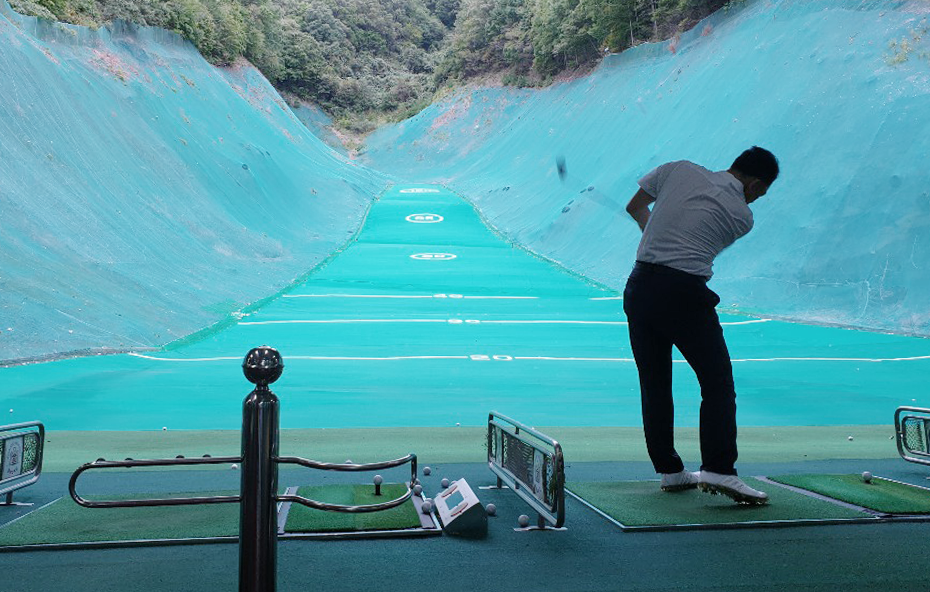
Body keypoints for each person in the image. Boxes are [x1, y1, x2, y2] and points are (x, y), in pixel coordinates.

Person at [623, 146, 779, 505]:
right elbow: (695, 242)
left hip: (640, 287)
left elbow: (635, 208)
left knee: (655, 384)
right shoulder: (742, 216)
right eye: (761, 194)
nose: (756, 201)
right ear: (754, 185)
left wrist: (653, 231)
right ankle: (719, 469)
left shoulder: (676, 168)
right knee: (718, 383)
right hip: (683, 295)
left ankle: (671, 471)